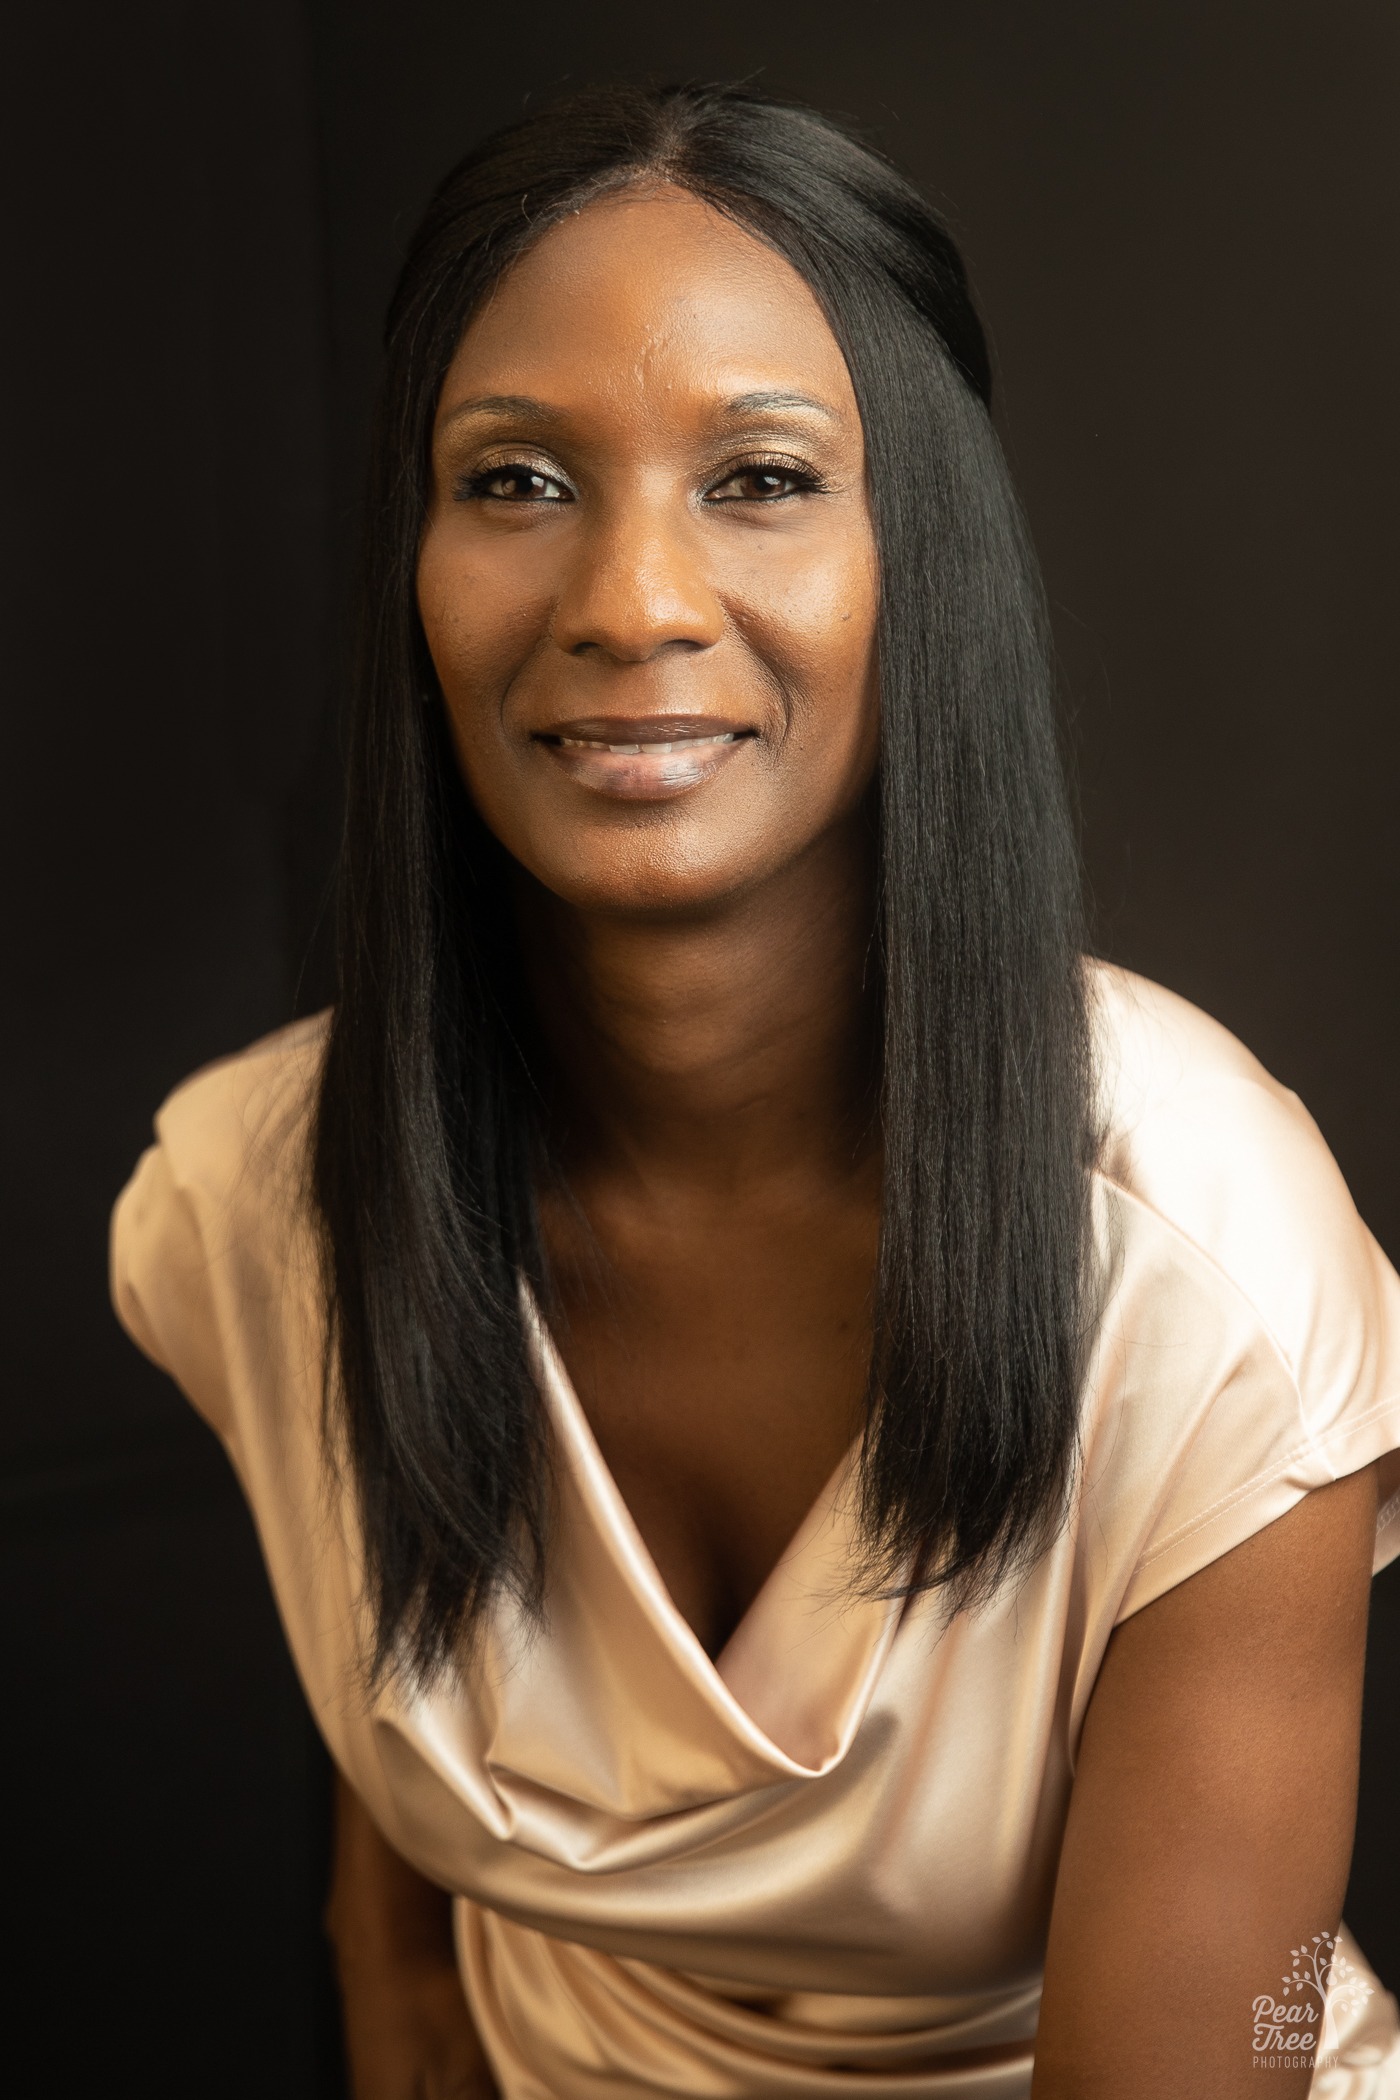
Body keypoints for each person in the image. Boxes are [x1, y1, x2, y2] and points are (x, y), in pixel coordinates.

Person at [110, 82, 1400, 2099]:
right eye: (517, 480)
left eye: (765, 478)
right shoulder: (259, 1197)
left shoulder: (1203, 1270)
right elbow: (404, 1779)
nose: (629, 602)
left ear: (927, 557)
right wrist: (397, 1994)